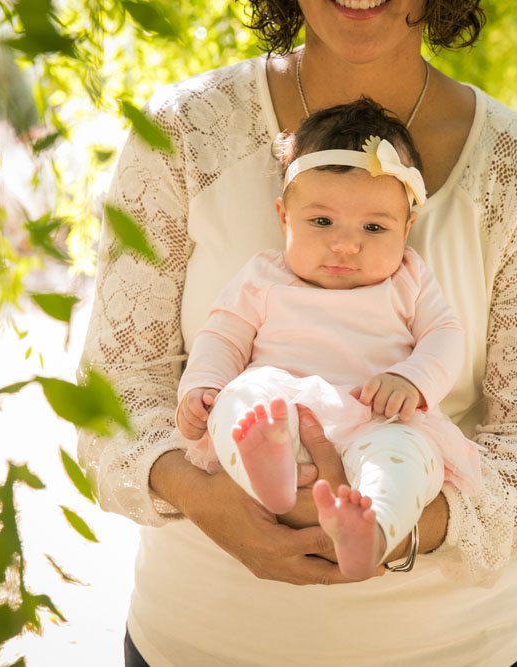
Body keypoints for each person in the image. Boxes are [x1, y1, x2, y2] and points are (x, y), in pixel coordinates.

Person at [78, 0, 517, 664]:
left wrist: (386, 524)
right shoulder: (181, 135)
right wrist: (205, 497)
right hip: (196, 642)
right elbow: (112, 392)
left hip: (446, 647)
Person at [174, 98, 481, 581]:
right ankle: (269, 472)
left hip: (379, 418)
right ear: (283, 218)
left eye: (374, 227)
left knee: (408, 461)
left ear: (408, 228)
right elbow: (223, 336)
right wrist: (203, 388)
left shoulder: (409, 279)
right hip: (281, 406)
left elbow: (445, 337)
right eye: (321, 222)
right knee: (241, 400)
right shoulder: (263, 276)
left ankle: (373, 528)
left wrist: (413, 380)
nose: (344, 244)